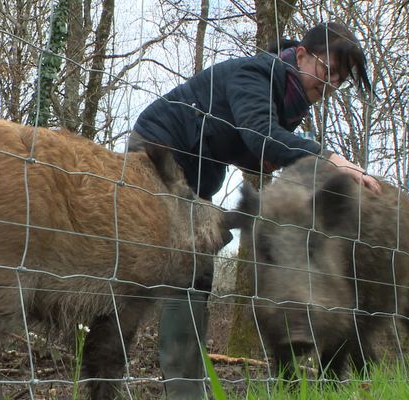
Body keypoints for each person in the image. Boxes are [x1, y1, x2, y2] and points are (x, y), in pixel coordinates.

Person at [127, 22, 381, 399]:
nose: (327, 87)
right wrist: (330, 159)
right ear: (301, 55)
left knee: (197, 273)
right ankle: (183, 390)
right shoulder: (256, 74)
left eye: (338, 82)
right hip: (157, 157)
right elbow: (259, 133)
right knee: (184, 269)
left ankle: (188, 387)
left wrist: (260, 157)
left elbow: (238, 136)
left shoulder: (284, 96)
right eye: (327, 72)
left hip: (195, 177)